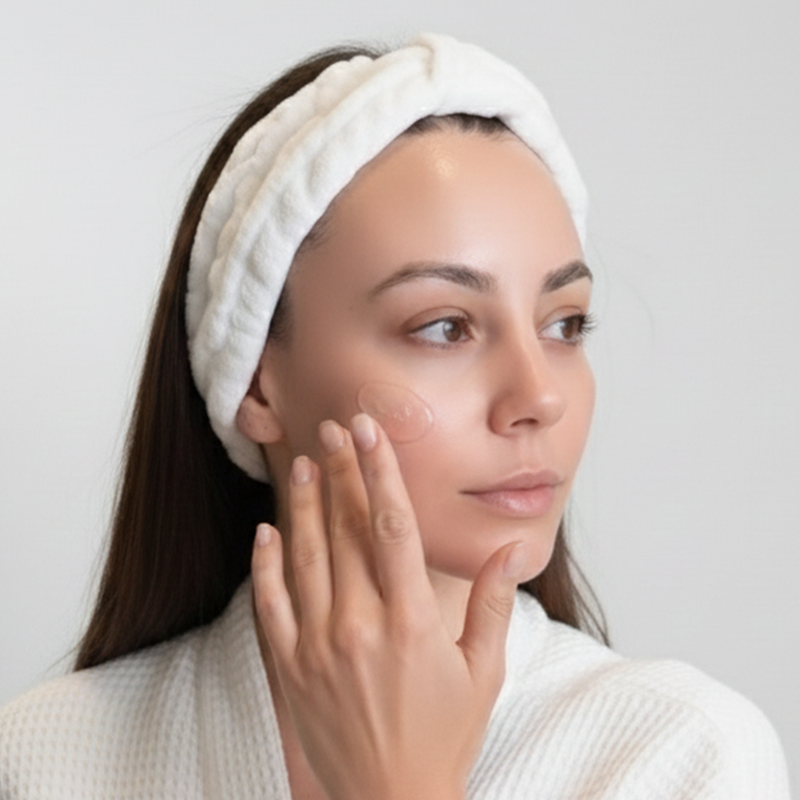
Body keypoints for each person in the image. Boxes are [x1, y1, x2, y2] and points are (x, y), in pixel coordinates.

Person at [0, 33, 790, 800]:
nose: (539, 397)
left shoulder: (683, 757)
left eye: (564, 324)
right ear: (258, 385)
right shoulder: (45, 760)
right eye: (444, 327)